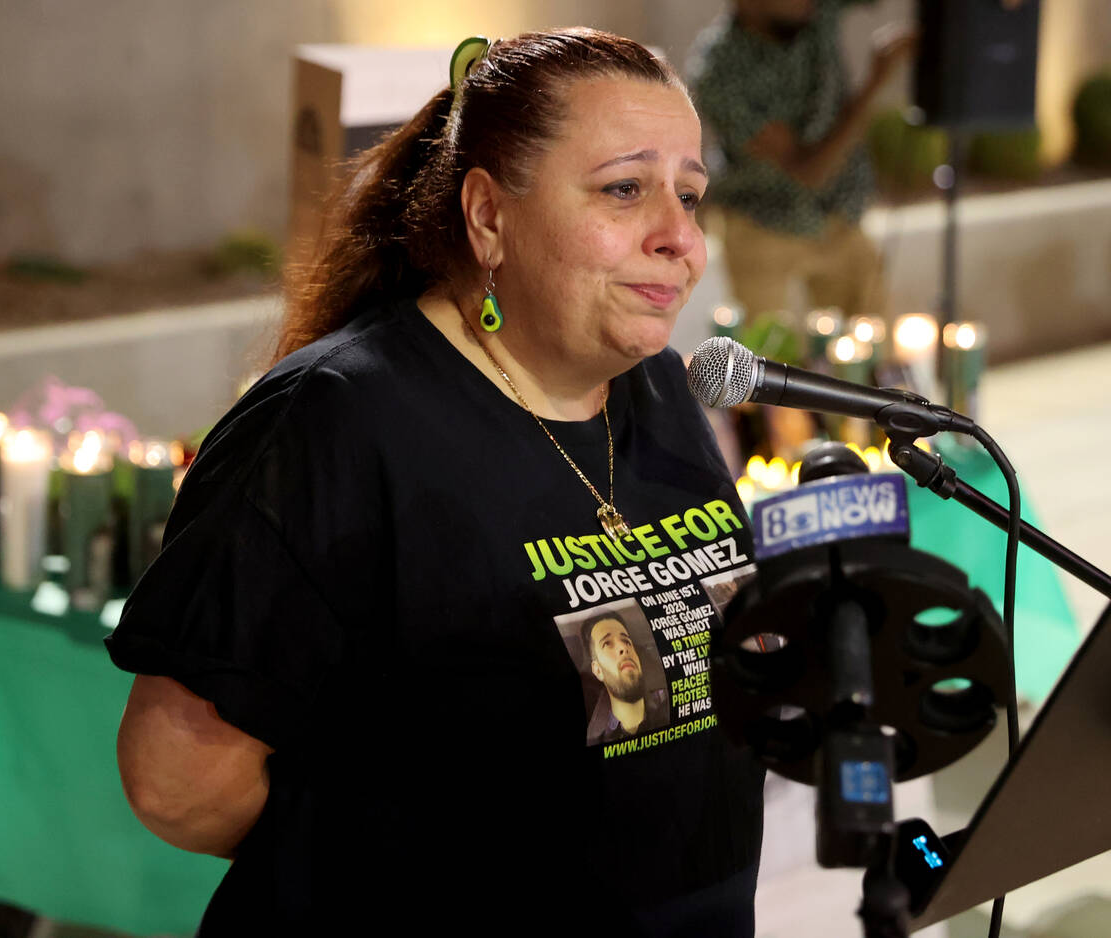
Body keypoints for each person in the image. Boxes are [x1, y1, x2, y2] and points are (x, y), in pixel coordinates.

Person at [109, 28, 764, 937]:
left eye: (689, 195)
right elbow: (177, 779)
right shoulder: (337, 420)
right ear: (489, 216)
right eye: (624, 189)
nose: (680, 238)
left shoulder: (657, 389)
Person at [686, 0, 917, 321]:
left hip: (838, 213)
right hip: (759, 221)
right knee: (765, 343)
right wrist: (875, 84)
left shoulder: (815, 12)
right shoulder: (718, 71)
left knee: (871, 338)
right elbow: (809, 171)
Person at [582, 611, 668, 742]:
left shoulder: (671, 699)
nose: (623, 647)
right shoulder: (595, 738)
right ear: (598, 670)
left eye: (627, 641)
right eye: (607, 643)